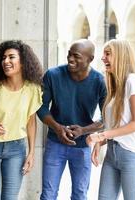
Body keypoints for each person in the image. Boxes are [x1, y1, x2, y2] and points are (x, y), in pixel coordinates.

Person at [37, 39, 107, 200]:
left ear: (90, 59)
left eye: (76, 56)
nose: (70, 59)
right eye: (69, 54)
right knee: (48, 194)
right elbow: (41, 107)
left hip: (82, 147)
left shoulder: (100, 81)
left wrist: (84, 130)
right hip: (55, 143)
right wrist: (57, 127)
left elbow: (107, 118)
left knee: (80, 195)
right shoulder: (53, 75)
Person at [0, 40, 43, 200]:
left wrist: (31, 152)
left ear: (23, 62)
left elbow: (31, 122)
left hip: (16, 150)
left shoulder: (32, 89)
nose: (6, 61)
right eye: (4, 58)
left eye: (11, 57)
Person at [86, 39, 135, 200]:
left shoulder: (132, 81)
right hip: (112, 154)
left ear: (121, 56)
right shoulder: (115, 86)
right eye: (103, 54)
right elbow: (118, 124)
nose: (103, 58)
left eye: (108, 54)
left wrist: (101, 136)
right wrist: (101, 142)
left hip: (132, 156)